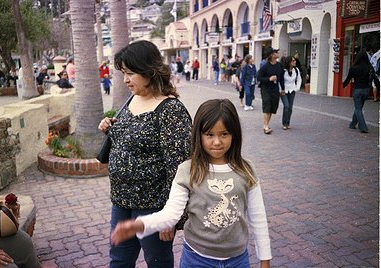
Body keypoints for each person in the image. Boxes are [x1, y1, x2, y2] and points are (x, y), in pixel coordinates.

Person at [111, 98, 272, 268]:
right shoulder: (188, 170)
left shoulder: (246, 170)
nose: (217, 142)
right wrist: (139, 225)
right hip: (196, 259)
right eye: (209, 134)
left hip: (238, 260)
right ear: (199, 135)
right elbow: (171, 214)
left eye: (224, 134)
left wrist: (265, 259)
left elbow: (258, 218)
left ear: (234, 134)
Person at [97, 40, 192, 268]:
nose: (125, 80)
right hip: (121, 201)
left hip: (153, 206)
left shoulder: (171, 110)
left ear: (149, 71)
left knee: (157, 262)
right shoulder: (133, 98)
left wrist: (171, 218)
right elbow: (132, 136)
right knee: (119, 261)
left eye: (130, 73)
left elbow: (179, 168)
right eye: (123, 73)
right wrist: (111, 126)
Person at [343, 50, 380, 133]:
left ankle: (363, 127)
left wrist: (344, 85)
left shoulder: (354, 67)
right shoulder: (369, 67)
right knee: (359, 107)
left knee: (358, 108)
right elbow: (375, 79)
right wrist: (379, 88)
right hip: (366, 90)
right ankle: (352, 124)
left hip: (357, 90)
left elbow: (348, 79)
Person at [257, 46, 285, 134]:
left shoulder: (279, 65)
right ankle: (265, 127)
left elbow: (281, 78)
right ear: (272, 55)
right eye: (276, 52)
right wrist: (269, 79)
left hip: (275, 89)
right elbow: (259, 77)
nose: (278, 54)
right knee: (267, 106)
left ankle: (267, 124)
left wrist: (283, 88)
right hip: (266, 89)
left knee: (273, 107)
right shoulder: (265, 66)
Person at [281, 56, 301, 130]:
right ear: (289, 62)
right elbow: (281, 80)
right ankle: (284, 123)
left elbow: (299, 79)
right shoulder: (283, 70)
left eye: (295, 60)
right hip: (284, 91)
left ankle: (288, 122)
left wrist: (297, 88)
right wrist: (281, 89)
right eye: (293, 61)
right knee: (286, 106)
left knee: (290, 108)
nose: (294, 62)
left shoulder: (296, 70)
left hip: (292, 90)